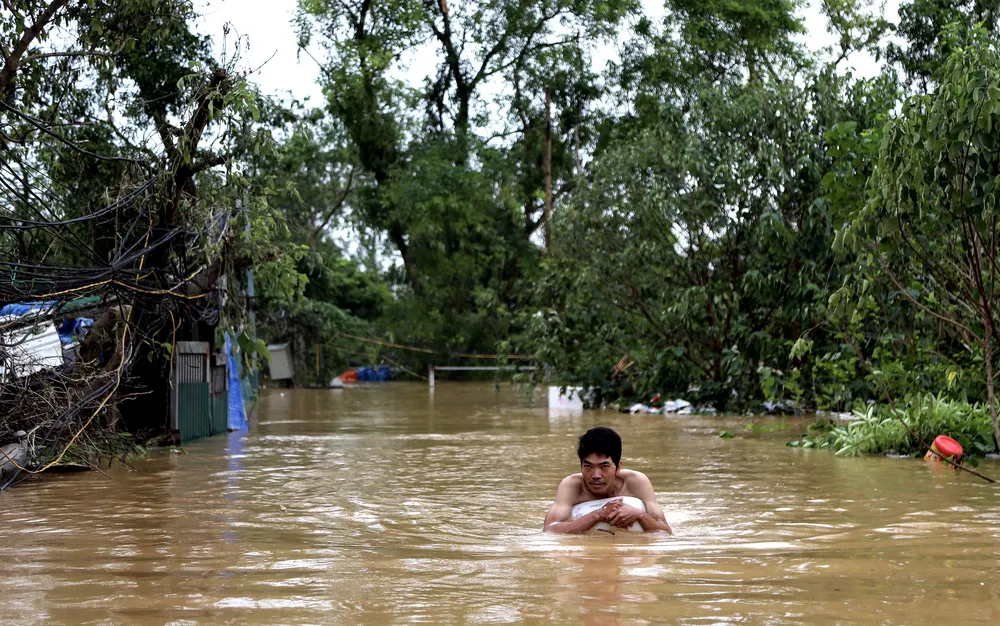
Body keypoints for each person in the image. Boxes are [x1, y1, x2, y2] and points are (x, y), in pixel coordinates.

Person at [543, 426, 672, 533]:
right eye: (588, 466)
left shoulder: (636, 482)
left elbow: (666, 531)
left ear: (618, 466)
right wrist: (597, 515)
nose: (595, 475)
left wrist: (640, 515)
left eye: (604, 466)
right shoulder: (571, 486)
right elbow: (549, 530)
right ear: (581, 465)